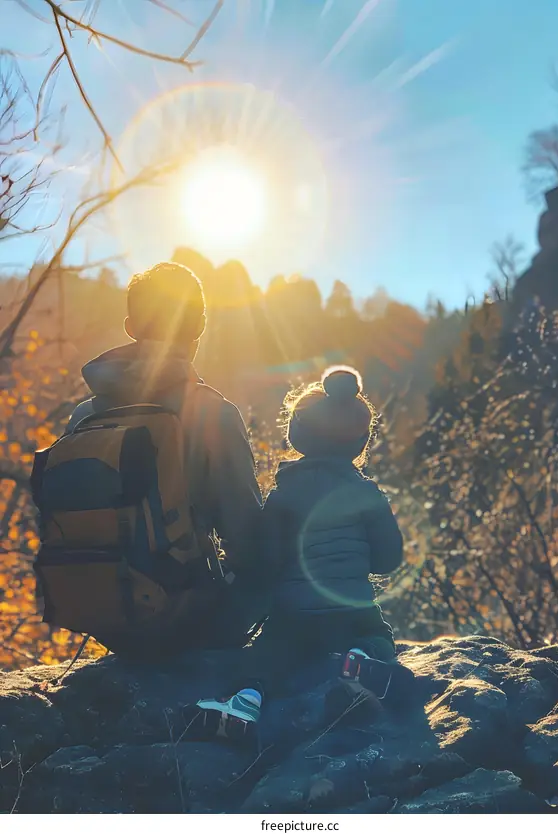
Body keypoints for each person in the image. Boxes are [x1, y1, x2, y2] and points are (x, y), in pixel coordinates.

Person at [64, 261, 264, 650]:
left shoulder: (83, 415)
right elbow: (247, 538)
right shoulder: (213, 413)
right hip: (189, 616)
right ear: (200, 327)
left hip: (104, 615)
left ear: (130, 327)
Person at [192, 365, 403, 731]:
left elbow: (266, 560)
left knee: (268, 657)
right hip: (353, 612)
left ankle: (245, 701)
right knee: (379, 638)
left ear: (297, 434)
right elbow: (389, 559)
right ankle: (360, 660)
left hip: (293, 616)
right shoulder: (366, 493)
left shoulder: (283, 494)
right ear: (360, 441)